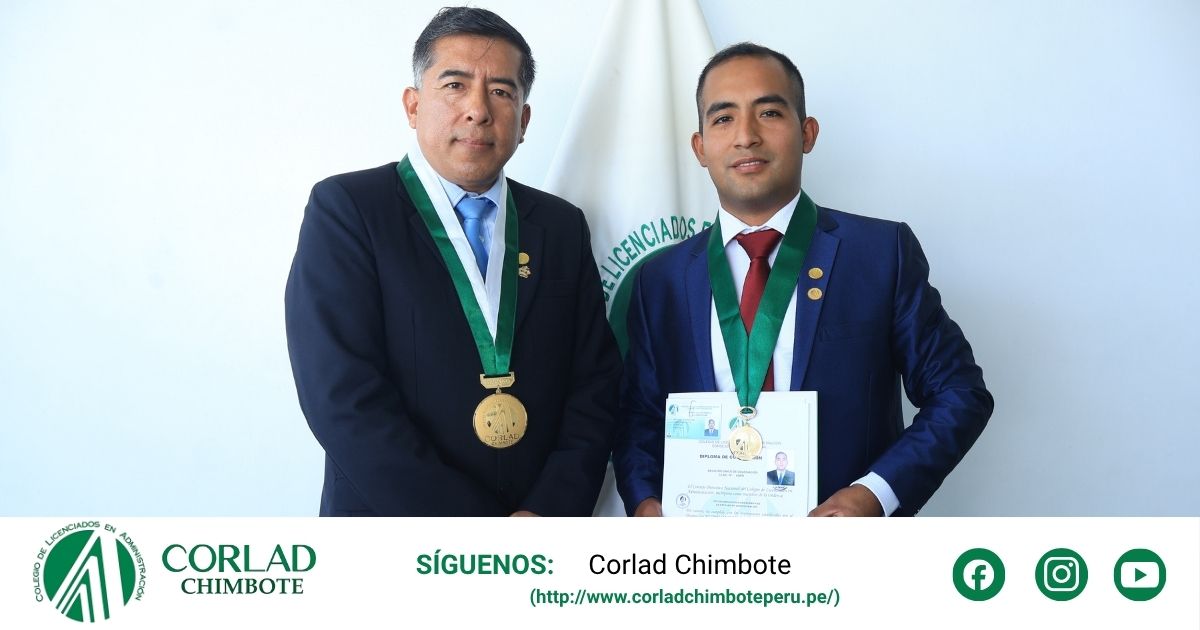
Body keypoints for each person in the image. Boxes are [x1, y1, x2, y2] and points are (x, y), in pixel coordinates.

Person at [613, 43, 993, 517]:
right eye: (724, 118)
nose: (746, 136)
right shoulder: (661, 280)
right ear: (700, 147)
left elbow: (959, 393)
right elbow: (639, 418)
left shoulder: (880, 254)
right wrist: (644, 502)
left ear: (807, 132)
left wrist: (873, 495)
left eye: (769, 112)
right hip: (706, 551)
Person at [285, 7, 620, 516]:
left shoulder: (560, 226)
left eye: (501, 91)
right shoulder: (349, 210)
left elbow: (594, 386)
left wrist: (548, 513)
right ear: (413, 105)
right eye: (455, 85)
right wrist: (473, 531)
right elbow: (341, 397)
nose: (478, 110)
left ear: (524, 121)